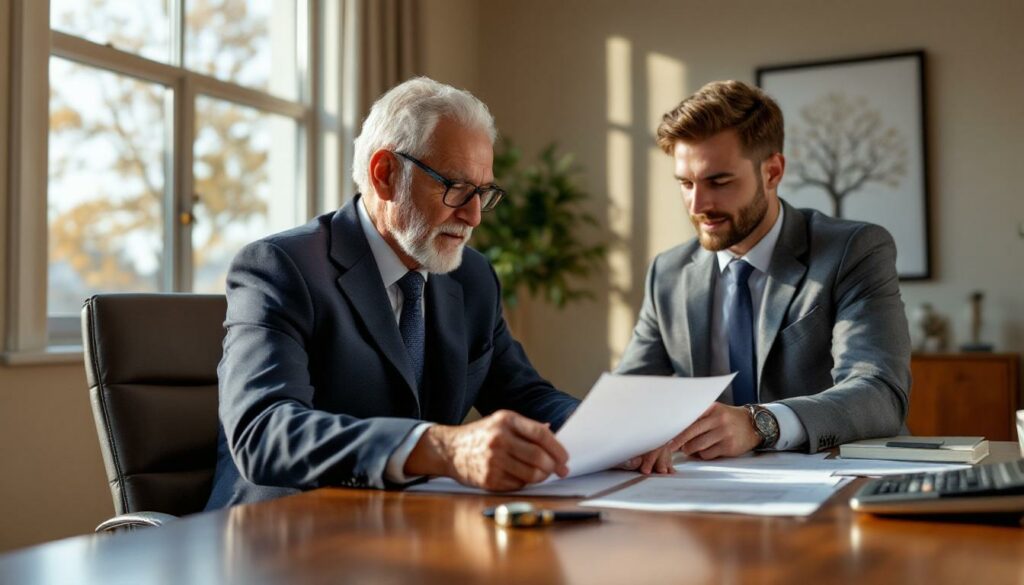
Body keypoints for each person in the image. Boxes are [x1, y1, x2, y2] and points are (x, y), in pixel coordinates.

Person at [205, 77, 586, 509]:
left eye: (483, 193)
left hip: (411, 531)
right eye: (456, 188)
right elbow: (264, 433)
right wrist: (441, 449)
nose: (475, 216)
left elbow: (525, 396)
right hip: (281, 536)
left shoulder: (472, 277)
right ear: (385, 175)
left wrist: (607, 431)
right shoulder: (282, 267)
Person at [616, 80, 911, 461]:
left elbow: (879, 392)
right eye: (685, 184)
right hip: (709, 491)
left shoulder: (853, 251)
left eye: (718, 181)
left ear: (772, 172)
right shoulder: (668, 273)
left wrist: (759, 424)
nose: (697, 204)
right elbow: (627, 397)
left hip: (841, 482)